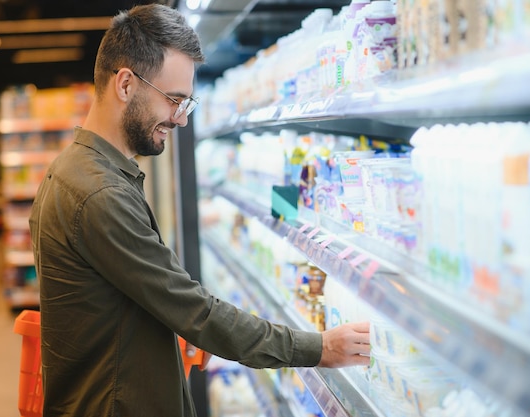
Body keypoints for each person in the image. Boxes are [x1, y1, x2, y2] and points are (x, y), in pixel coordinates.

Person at [29, 3, 371, 416]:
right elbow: (197, 312)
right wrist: (320, 347)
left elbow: (112, 308)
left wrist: (161, 329)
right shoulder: (98, 193)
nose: (181, 120)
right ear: (124, 85)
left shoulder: (80, 172)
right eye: (174, 100)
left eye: (186, 104)